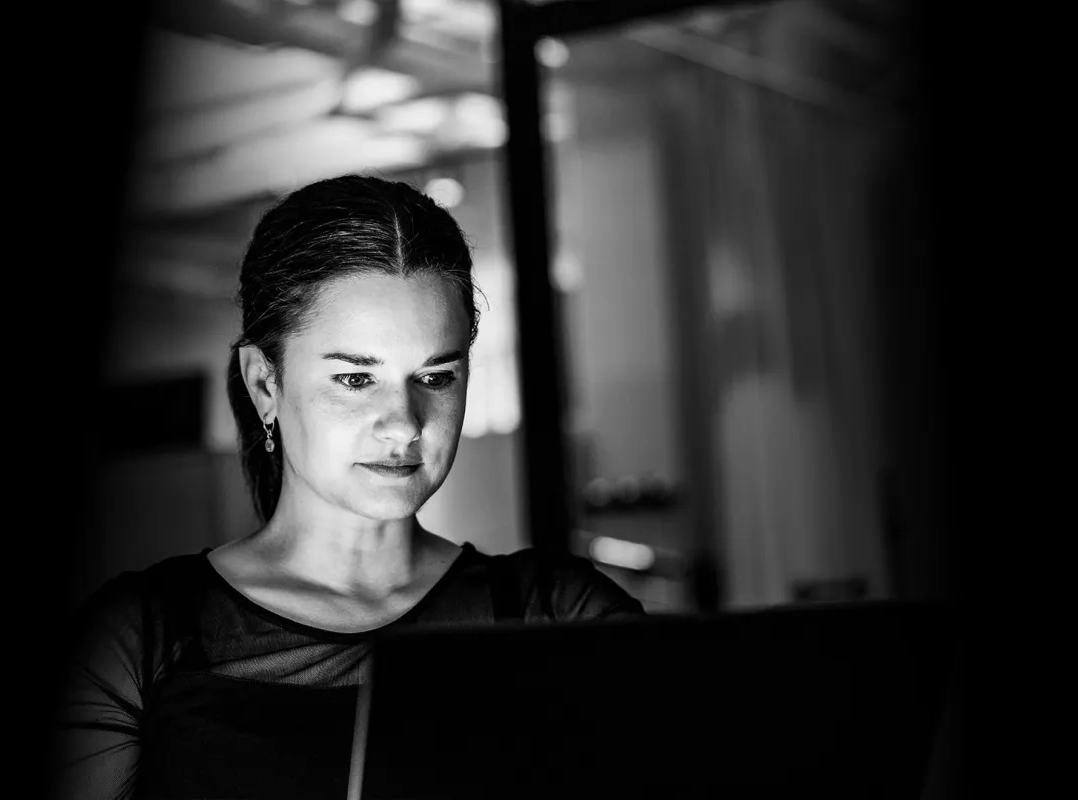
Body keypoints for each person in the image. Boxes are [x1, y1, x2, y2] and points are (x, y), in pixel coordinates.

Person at [51, 174, 645, 800]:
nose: (406, 425)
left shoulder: (559, 613)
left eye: (436, 376)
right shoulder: (139, 641)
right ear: (265, 386)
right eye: (356, 380)